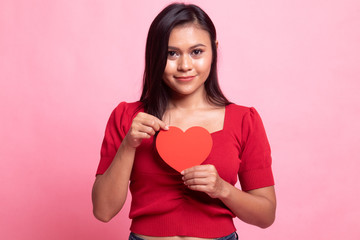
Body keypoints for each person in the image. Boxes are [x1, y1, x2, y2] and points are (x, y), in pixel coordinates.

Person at [92, 3, 276, 240]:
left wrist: (222, 189)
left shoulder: (244, 120)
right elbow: (103, 211)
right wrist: (129, 145)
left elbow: (266, 215)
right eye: (172, 53)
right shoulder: (127, 117)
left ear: (214, 49)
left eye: (196, 52)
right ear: (155, 54)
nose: (185, 65)